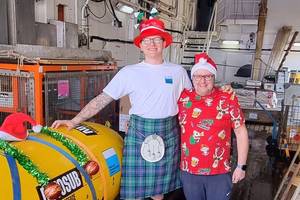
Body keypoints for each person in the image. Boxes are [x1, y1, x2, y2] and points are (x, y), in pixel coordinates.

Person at [52, 18, 192, 200]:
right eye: (147, 40)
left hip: (169, 133)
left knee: (159, 192)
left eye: (157, 39)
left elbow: (193, 101)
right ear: (140, 45)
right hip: (140, 133)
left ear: (164, 43)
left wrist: (222, 92)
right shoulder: (129, 72)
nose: (152, 44)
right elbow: (102, 99)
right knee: (134, 193)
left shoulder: (177, 71)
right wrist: (74, 121)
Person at [177, 52, 249, 200]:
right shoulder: (182, 97)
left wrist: (241, 166)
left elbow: (241, 132)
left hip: (219, 172)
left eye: (207, 76)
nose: (202, 81)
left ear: (214, 78)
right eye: (198, 76)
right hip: (190, 171)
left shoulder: (227, 97)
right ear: (192, 78)